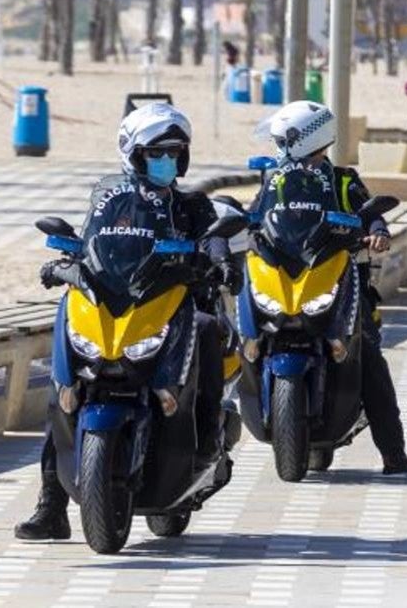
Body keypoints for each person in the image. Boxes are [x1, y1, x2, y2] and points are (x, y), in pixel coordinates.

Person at [15, 103, 240, 541]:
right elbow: (89, 245)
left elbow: (214, 240)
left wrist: (217, 261)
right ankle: (51, 507)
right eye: (158, 153)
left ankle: (209, 433)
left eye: (176, 153)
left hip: (176, 303)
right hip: (120, 307)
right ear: (133, 154)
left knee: (210, 329)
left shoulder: (190, 205)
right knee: (65, 392)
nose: (168, 161)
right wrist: (64, 263)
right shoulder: (109, 202)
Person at [251, 100, 407, 475]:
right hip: (286, 275)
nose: (279, 148)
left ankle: (394, 452)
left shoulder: (342, 179)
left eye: (284, 140)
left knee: (369, 354)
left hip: (339, 276)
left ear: (310, 138)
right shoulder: (273, 180)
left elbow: (369, 211)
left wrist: (376, 232)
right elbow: (255, 215)